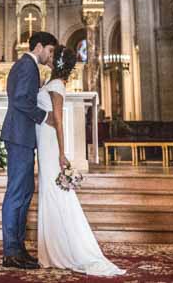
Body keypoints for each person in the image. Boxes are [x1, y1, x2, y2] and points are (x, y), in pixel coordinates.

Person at [37, 46, 125, 276]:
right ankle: (50, 249)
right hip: (44, 141)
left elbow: (58, 119)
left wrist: (62, 152)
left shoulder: (56, 85)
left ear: (57, 61)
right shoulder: (52, 81)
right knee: (49, 191)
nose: (48, 55)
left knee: (53, 191)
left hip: (50, 144)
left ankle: (63, 249)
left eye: (52, 54)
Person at [1, 31, 58, 270]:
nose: (51, 56)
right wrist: (45, 116)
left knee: (24, 192)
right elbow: (20, 100)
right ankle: (11, 252)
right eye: (50, 50)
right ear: (39, 47)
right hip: (19, 137)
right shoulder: (27, 66)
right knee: (17, 193)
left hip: (22, 137)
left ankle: (18, 249)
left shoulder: (27, 65)